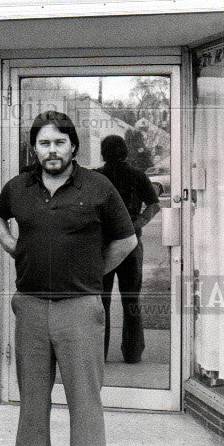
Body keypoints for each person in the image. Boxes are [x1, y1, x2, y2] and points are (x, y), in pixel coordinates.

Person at [0, 111, 137, 446]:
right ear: (33, 148)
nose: (51, 151)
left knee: (84, 401)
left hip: (79, 309)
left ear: (73, 146)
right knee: (32, 400)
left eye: (59, 143)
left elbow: (127, 239)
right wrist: (14, 247)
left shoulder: (98, 186)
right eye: (43, 143)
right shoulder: (19, 187)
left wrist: (93, 273)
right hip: (31, 306)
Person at [98, 135, 161, 363]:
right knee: (131, 299)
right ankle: (133, 353)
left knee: (101, 300)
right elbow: (154, 204)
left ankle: (99, 354)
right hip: (132, 243)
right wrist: (139, 222)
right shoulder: (137, 175)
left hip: (103, 245)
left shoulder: (97, 176)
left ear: (103, 153)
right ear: (126, 152)